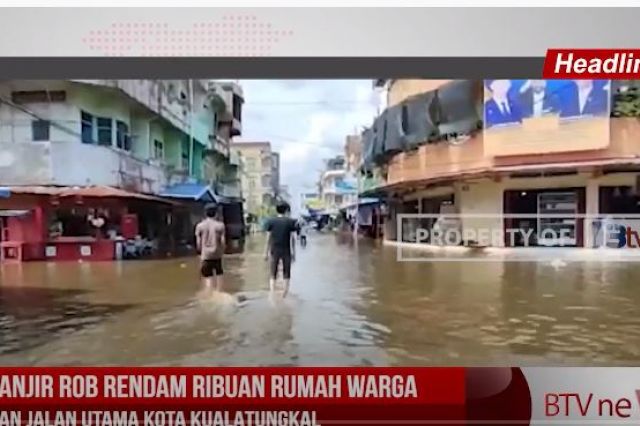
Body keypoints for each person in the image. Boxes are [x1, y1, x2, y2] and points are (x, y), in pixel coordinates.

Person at [264, 202, 297, 299]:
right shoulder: (290, 222)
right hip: (286, 250)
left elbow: (268, 238)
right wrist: (294, 253)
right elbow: (293, 238)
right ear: (286, 210)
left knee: (273, 272)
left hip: (274, 250)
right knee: (286, 272)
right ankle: (284, 294)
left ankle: (272, 294)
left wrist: (265, 252)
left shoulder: (271, 221)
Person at [195, 202, 226, 291]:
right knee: (219, 278)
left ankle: (209, 296)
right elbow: (223, 242)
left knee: (208, 279)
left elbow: (198, 243)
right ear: (216, 213)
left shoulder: (200, 226)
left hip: (206, 256)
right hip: (217, 255)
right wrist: (222, 252)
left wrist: (201, 253)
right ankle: (219, 294)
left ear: (205, 213)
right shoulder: (220, 225)